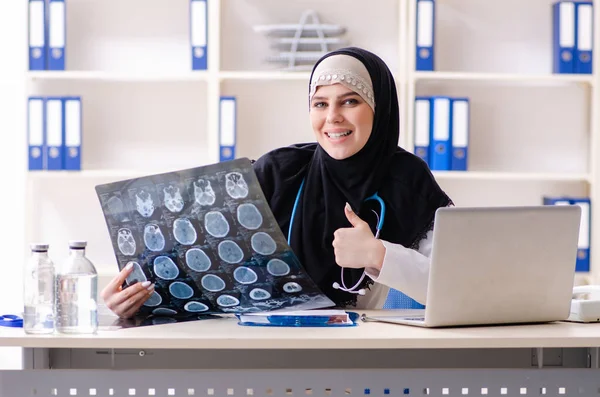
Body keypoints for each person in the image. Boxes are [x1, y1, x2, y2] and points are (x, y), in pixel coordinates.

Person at [101, 47, 453, 318]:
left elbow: (456, 287)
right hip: (263, 349)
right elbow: (193, 261)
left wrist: (379, 254)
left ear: (380, 108)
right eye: (320, 103)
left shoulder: (407, 181)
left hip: (362, 357)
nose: (332, 117)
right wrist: (134, 297)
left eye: (350, 101)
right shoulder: (281, 171)